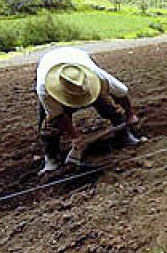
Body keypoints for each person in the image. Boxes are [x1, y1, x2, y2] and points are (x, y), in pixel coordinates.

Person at [36, 46, 141, 174]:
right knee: (50, 125)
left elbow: (121, 93)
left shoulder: (97, 76)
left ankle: (125, 135)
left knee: (109, 107)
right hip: (50, 66)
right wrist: (75, 137)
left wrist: (130, 115)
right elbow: (58, 115)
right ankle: (51, 157)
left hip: (77, 59)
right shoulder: (45, 89)